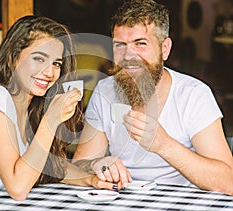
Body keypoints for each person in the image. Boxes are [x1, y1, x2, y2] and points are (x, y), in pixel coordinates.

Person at [0, 15, 117, 211]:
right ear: (14, 58)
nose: (49, 72)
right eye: (39, 58)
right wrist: (51, 119)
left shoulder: (32, 108)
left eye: (56, 63)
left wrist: (91, 180)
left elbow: (52, 167)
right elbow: (18, 188)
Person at [72, 0, 233, 195]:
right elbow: (79, 166)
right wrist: (98, 164)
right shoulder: (105, 91)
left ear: (165, 49)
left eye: (140, 44)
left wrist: (163, 145)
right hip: (120, 201)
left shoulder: (193, 95)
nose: (129, 55)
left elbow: (228, 182)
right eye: (120, 45)